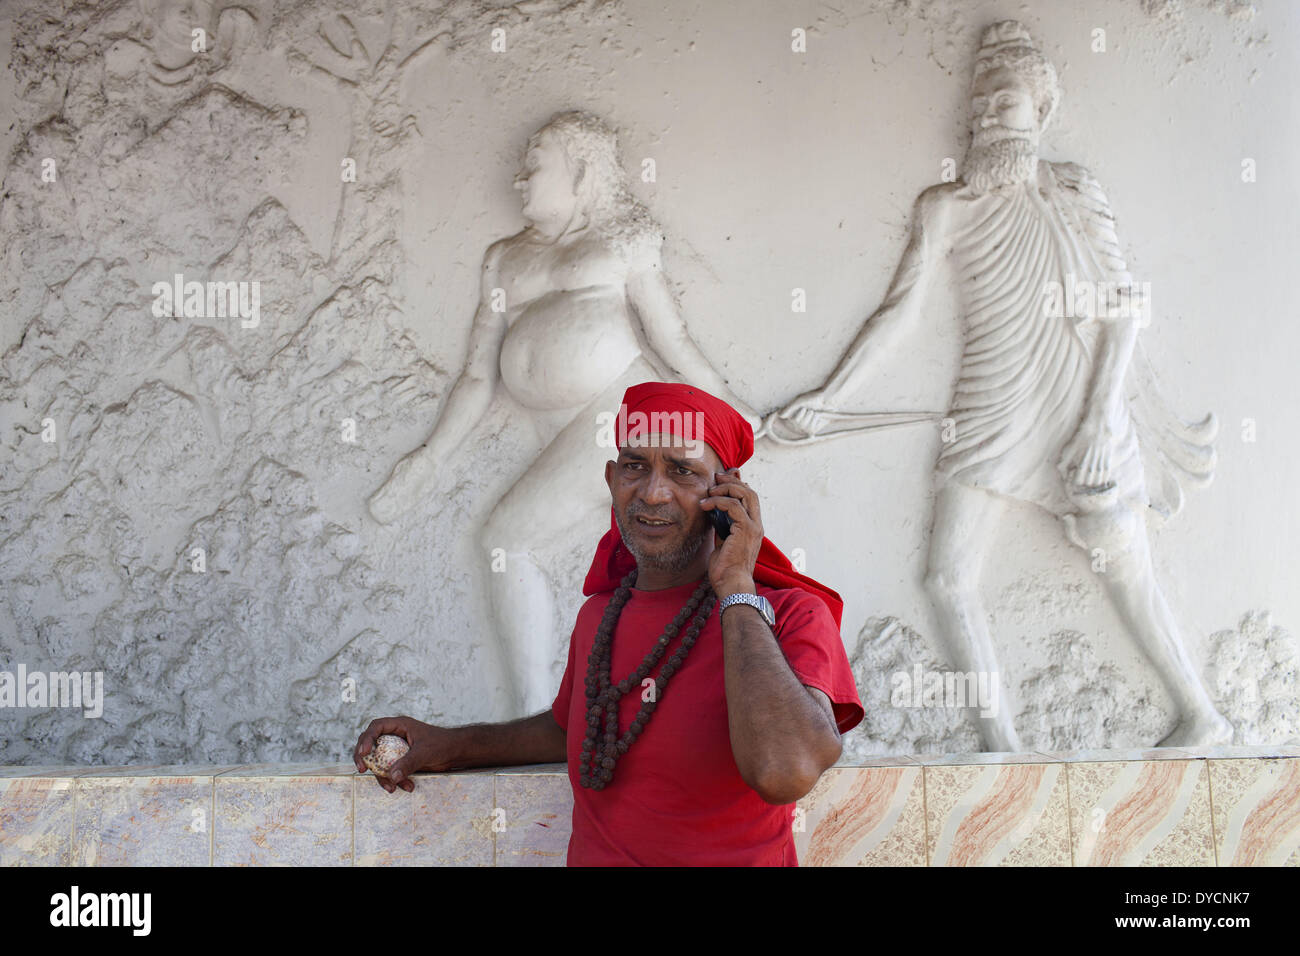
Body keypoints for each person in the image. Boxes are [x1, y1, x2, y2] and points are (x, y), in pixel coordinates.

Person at [777, 21, 1229, 750]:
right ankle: (1000, 744)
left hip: (1081, 399)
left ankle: (1200, 711)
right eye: (980, 102)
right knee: (946, 578)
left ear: (1041, 112)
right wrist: (829, 399)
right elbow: (897, 316)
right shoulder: (944, 207)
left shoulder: (1075, 191)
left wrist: (1098, 417)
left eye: (1007, 101)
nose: (989, 114)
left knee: (1122, 564)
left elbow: (1123, 308)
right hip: (988, 405)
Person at [355, 381, 863, 866]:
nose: (654, 492)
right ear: (611, 480)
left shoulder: (792, 614)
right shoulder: (599, 614)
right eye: (635, 466)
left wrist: (735, 587)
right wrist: (446, 745)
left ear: (726, 492)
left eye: (682, 471)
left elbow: (784, 771)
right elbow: (577, 724)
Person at [367, 111, 760, 716]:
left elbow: (674, 346)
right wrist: (428, 459)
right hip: (568, 433)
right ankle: (550, 713)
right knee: (529, 546)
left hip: (623, 420)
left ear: (580, 172)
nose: (520, 180)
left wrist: (744, 414)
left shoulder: (624, 241)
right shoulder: (504, 259)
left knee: (506, 539)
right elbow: (477, 375)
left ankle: (535, 717)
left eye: (534, 166)